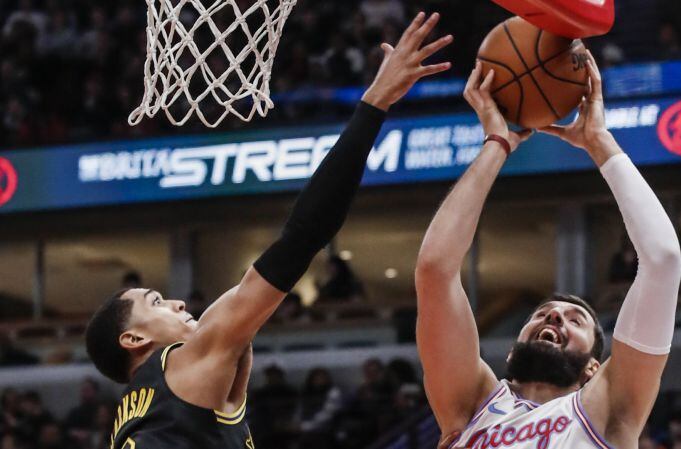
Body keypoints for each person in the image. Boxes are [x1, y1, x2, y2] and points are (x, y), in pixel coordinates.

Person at [83, 12, 453, 449]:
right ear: (134, 338)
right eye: (157, 301)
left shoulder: (138, 419)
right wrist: (374, 104)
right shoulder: (186, 361)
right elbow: (302, 237)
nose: (178, 300)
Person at [419, 52, 681, 449]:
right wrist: (497, 143)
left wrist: (599, 142)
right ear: (512, 352)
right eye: (542, 314)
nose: (555, 315)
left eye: (575, 320)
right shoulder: (471, 406)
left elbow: (662, 261)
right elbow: (436, 270)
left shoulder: (608, 407)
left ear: (594, 366)